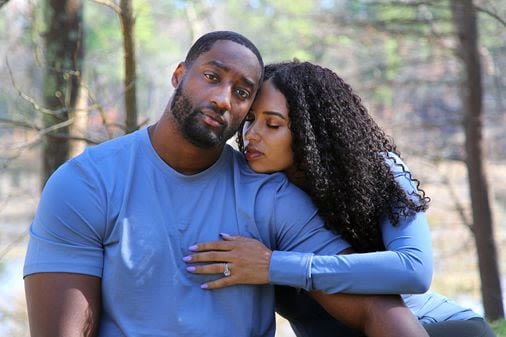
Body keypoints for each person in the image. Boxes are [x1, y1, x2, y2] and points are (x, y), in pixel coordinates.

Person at [23, 32, 431, 337]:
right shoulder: (88, 184)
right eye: (211, 76)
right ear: (179, 75)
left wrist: (273, 264)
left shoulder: (269, 196)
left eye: (241, 92)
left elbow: (376, 309)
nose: (223, 99)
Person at [184, 61, 496, 337]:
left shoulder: (377, 170)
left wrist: (274, 266)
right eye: (250, 119)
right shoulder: (261, 196)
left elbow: (414, 268)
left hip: (436, 328)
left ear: (311, 131)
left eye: (273, 124)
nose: (251, 134)